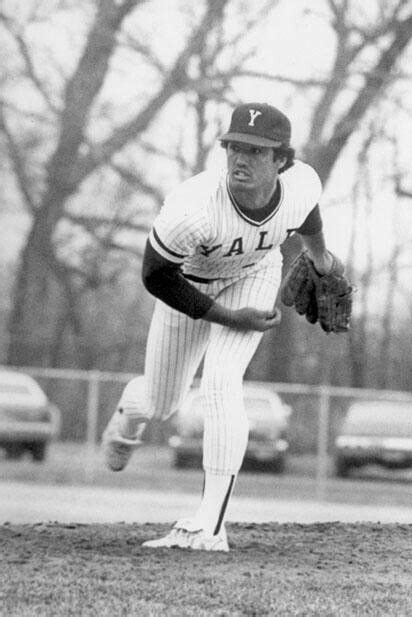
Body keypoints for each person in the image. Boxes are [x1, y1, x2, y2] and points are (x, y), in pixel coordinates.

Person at [102, 102, 336, 551]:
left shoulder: (302, 184)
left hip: (254, 273)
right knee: (159, 403)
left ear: (282, 161)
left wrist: (322, 260)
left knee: (221, 381)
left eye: (255, 151)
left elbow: (307, 215)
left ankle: (207, 526)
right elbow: (155, 276)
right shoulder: (193, 208)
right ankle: (127, 419)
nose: (240, 158)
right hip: (187, 286)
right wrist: (228, 317)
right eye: (233, 147)